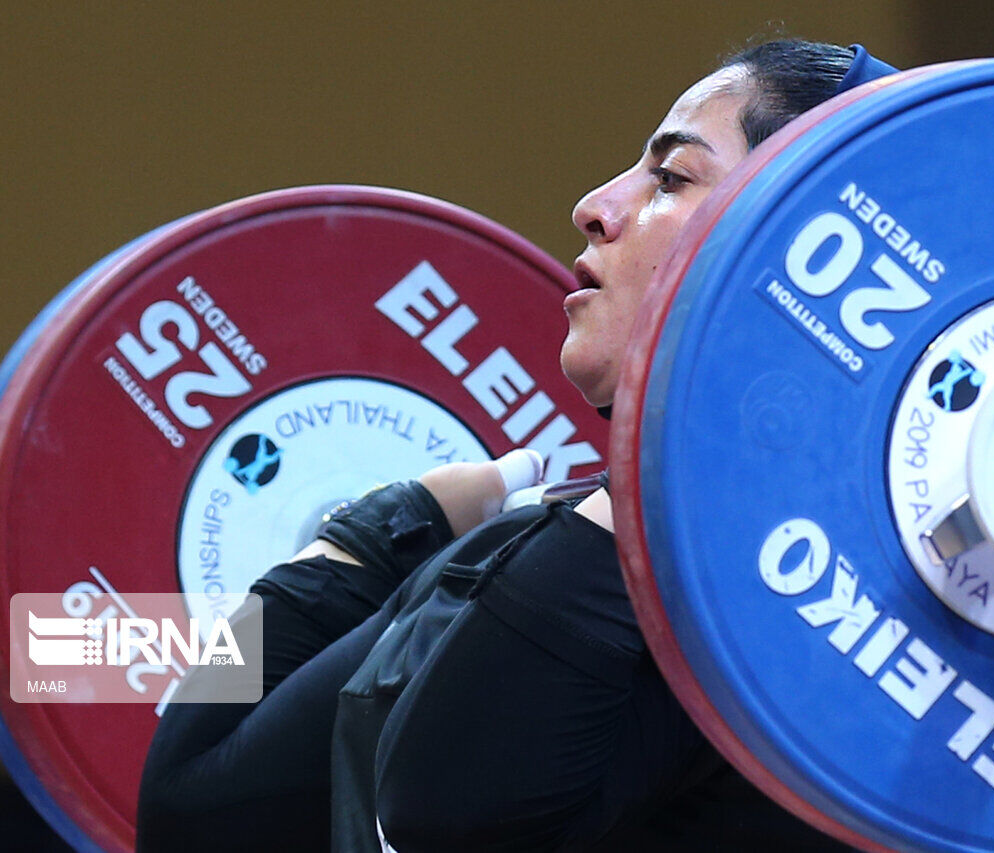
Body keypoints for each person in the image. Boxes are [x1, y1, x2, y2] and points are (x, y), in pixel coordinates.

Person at [137, 39, 898, 852]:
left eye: (670, 178)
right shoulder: (541, 546)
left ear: (799, 249)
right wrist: (382, 536)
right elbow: (190, 810)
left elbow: (434, 815)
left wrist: (359, 545)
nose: (595, 205)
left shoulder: (768, 627)